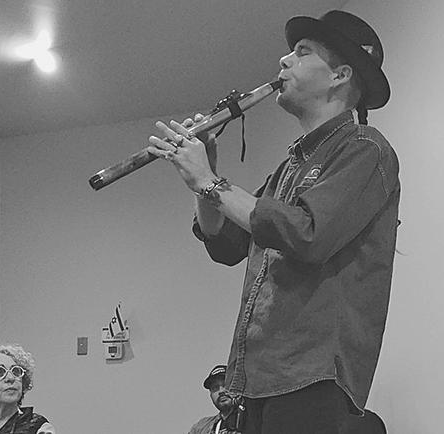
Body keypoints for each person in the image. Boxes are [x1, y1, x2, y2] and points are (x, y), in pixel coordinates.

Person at [148, 9, 399, 434]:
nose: (284, 59)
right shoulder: (289, 167)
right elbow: (225, 244)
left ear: (340, 75)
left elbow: (307, 233)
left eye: (302, 52)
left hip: (312, 378)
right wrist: (205, 177)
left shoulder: (365, 148)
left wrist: (209, 181)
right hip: (256, 381)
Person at [187, 365, 240, 434]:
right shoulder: (201, 428)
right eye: (215, 388)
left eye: (225, 385)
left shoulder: (250, 418)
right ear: (211, 395)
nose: (221, 391)